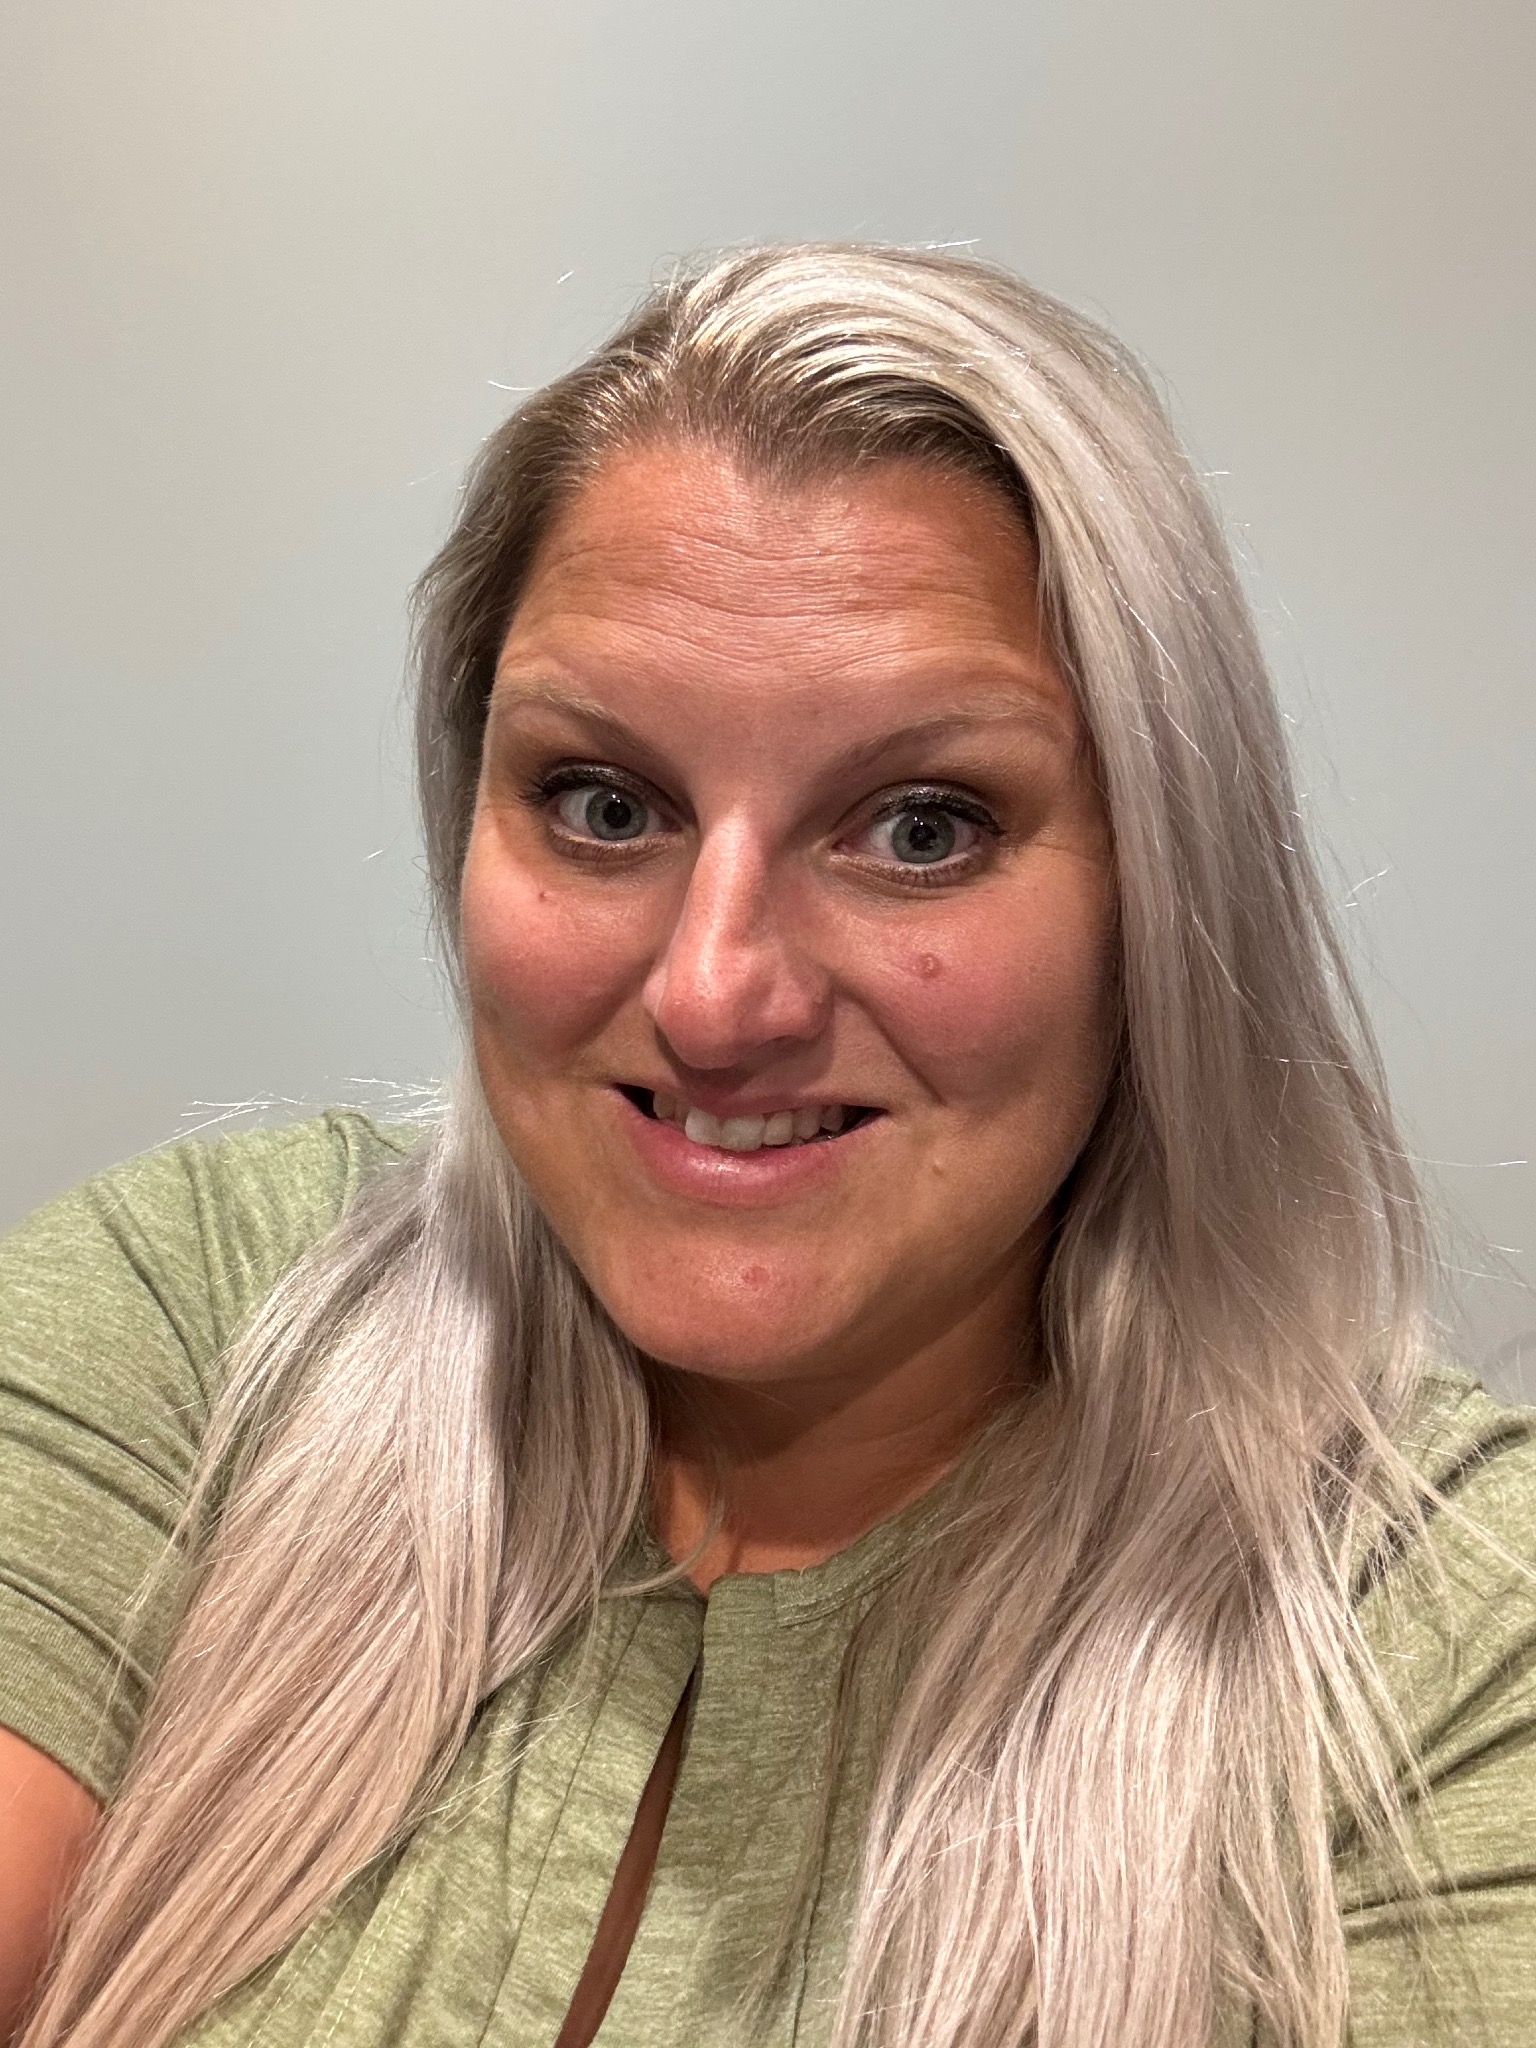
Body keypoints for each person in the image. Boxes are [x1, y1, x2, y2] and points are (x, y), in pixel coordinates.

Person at [1, 243, 1532, 2048]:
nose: (716, 996)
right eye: (604, 803)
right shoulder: (199, 1321)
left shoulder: (1448, 1641)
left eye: (922, 827)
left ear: (1161, 895)